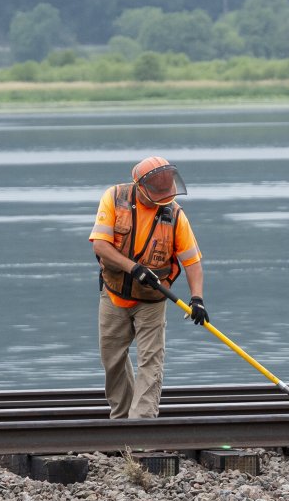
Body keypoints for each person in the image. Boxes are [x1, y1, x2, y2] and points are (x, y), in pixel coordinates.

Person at [89, 156, 209, 419]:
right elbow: (100, 246)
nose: (163, 200)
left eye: (167, 194)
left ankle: (141, 424)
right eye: (157, 195)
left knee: (150, 363)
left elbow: (193, 262)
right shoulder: (114, 198)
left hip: (152, 300)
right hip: (114, 294)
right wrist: (133, 268)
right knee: (113, 361)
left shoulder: (175, 215)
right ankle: (121, 419)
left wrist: (197, 299)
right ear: (139, 186)